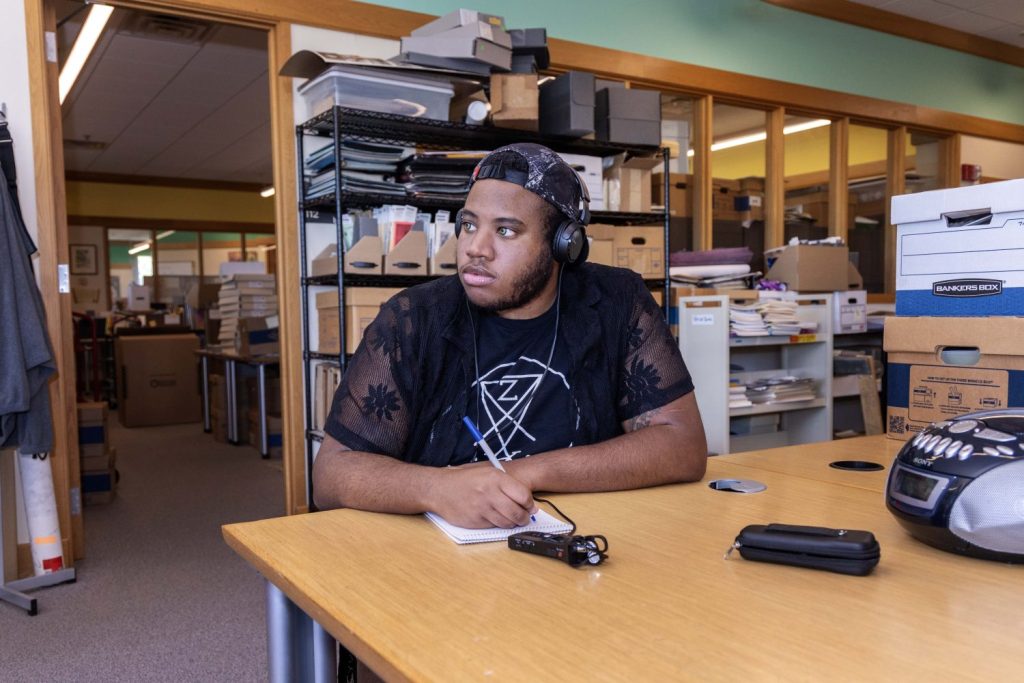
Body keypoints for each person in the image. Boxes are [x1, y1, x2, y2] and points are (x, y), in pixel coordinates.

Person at [313, 143, 707, 528]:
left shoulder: (616, 302)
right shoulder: (413, 318)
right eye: (468, 225)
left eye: (505, 230)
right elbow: (331, 474)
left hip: (575, 536)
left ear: (563, 246)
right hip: (440, 552)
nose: (475, 248)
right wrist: (438, 488)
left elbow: (682, 445)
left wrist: (519, 474)